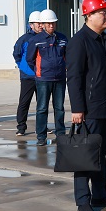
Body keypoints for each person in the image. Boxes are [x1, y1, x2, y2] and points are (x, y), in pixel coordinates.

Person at [66, 0, 106, 211]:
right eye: (102, 13)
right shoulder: (79, 41)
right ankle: (83, 200)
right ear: (89, 15)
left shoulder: (105, 40)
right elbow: (74, 78)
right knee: (85, 155)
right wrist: (77, 108)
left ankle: (100, 195)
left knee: (101, 153)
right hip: (89, 110)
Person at [26, 9, 67, 146]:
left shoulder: (63, 38)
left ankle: (60, 134)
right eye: (48, 23)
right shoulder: (36, 40)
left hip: (60, 79)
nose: (51, 25)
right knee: (42, 108)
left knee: (59, 108)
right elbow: (30, 59)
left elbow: (68, 56)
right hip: (43, 79)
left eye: (53, 23)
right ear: (42, 24)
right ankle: (41, 136)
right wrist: (39, 70)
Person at [12, 11, 42, 136]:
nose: (40, 25)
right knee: (24, 102)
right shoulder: (24, 39)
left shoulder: (45, 38)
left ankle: (42, 126)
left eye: (42, 23)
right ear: (31, 25)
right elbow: (16, 54)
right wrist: (23, 67)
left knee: (42, 104)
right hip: (28, 77)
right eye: (37, 23)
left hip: (42, 77)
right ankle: (21, 127)